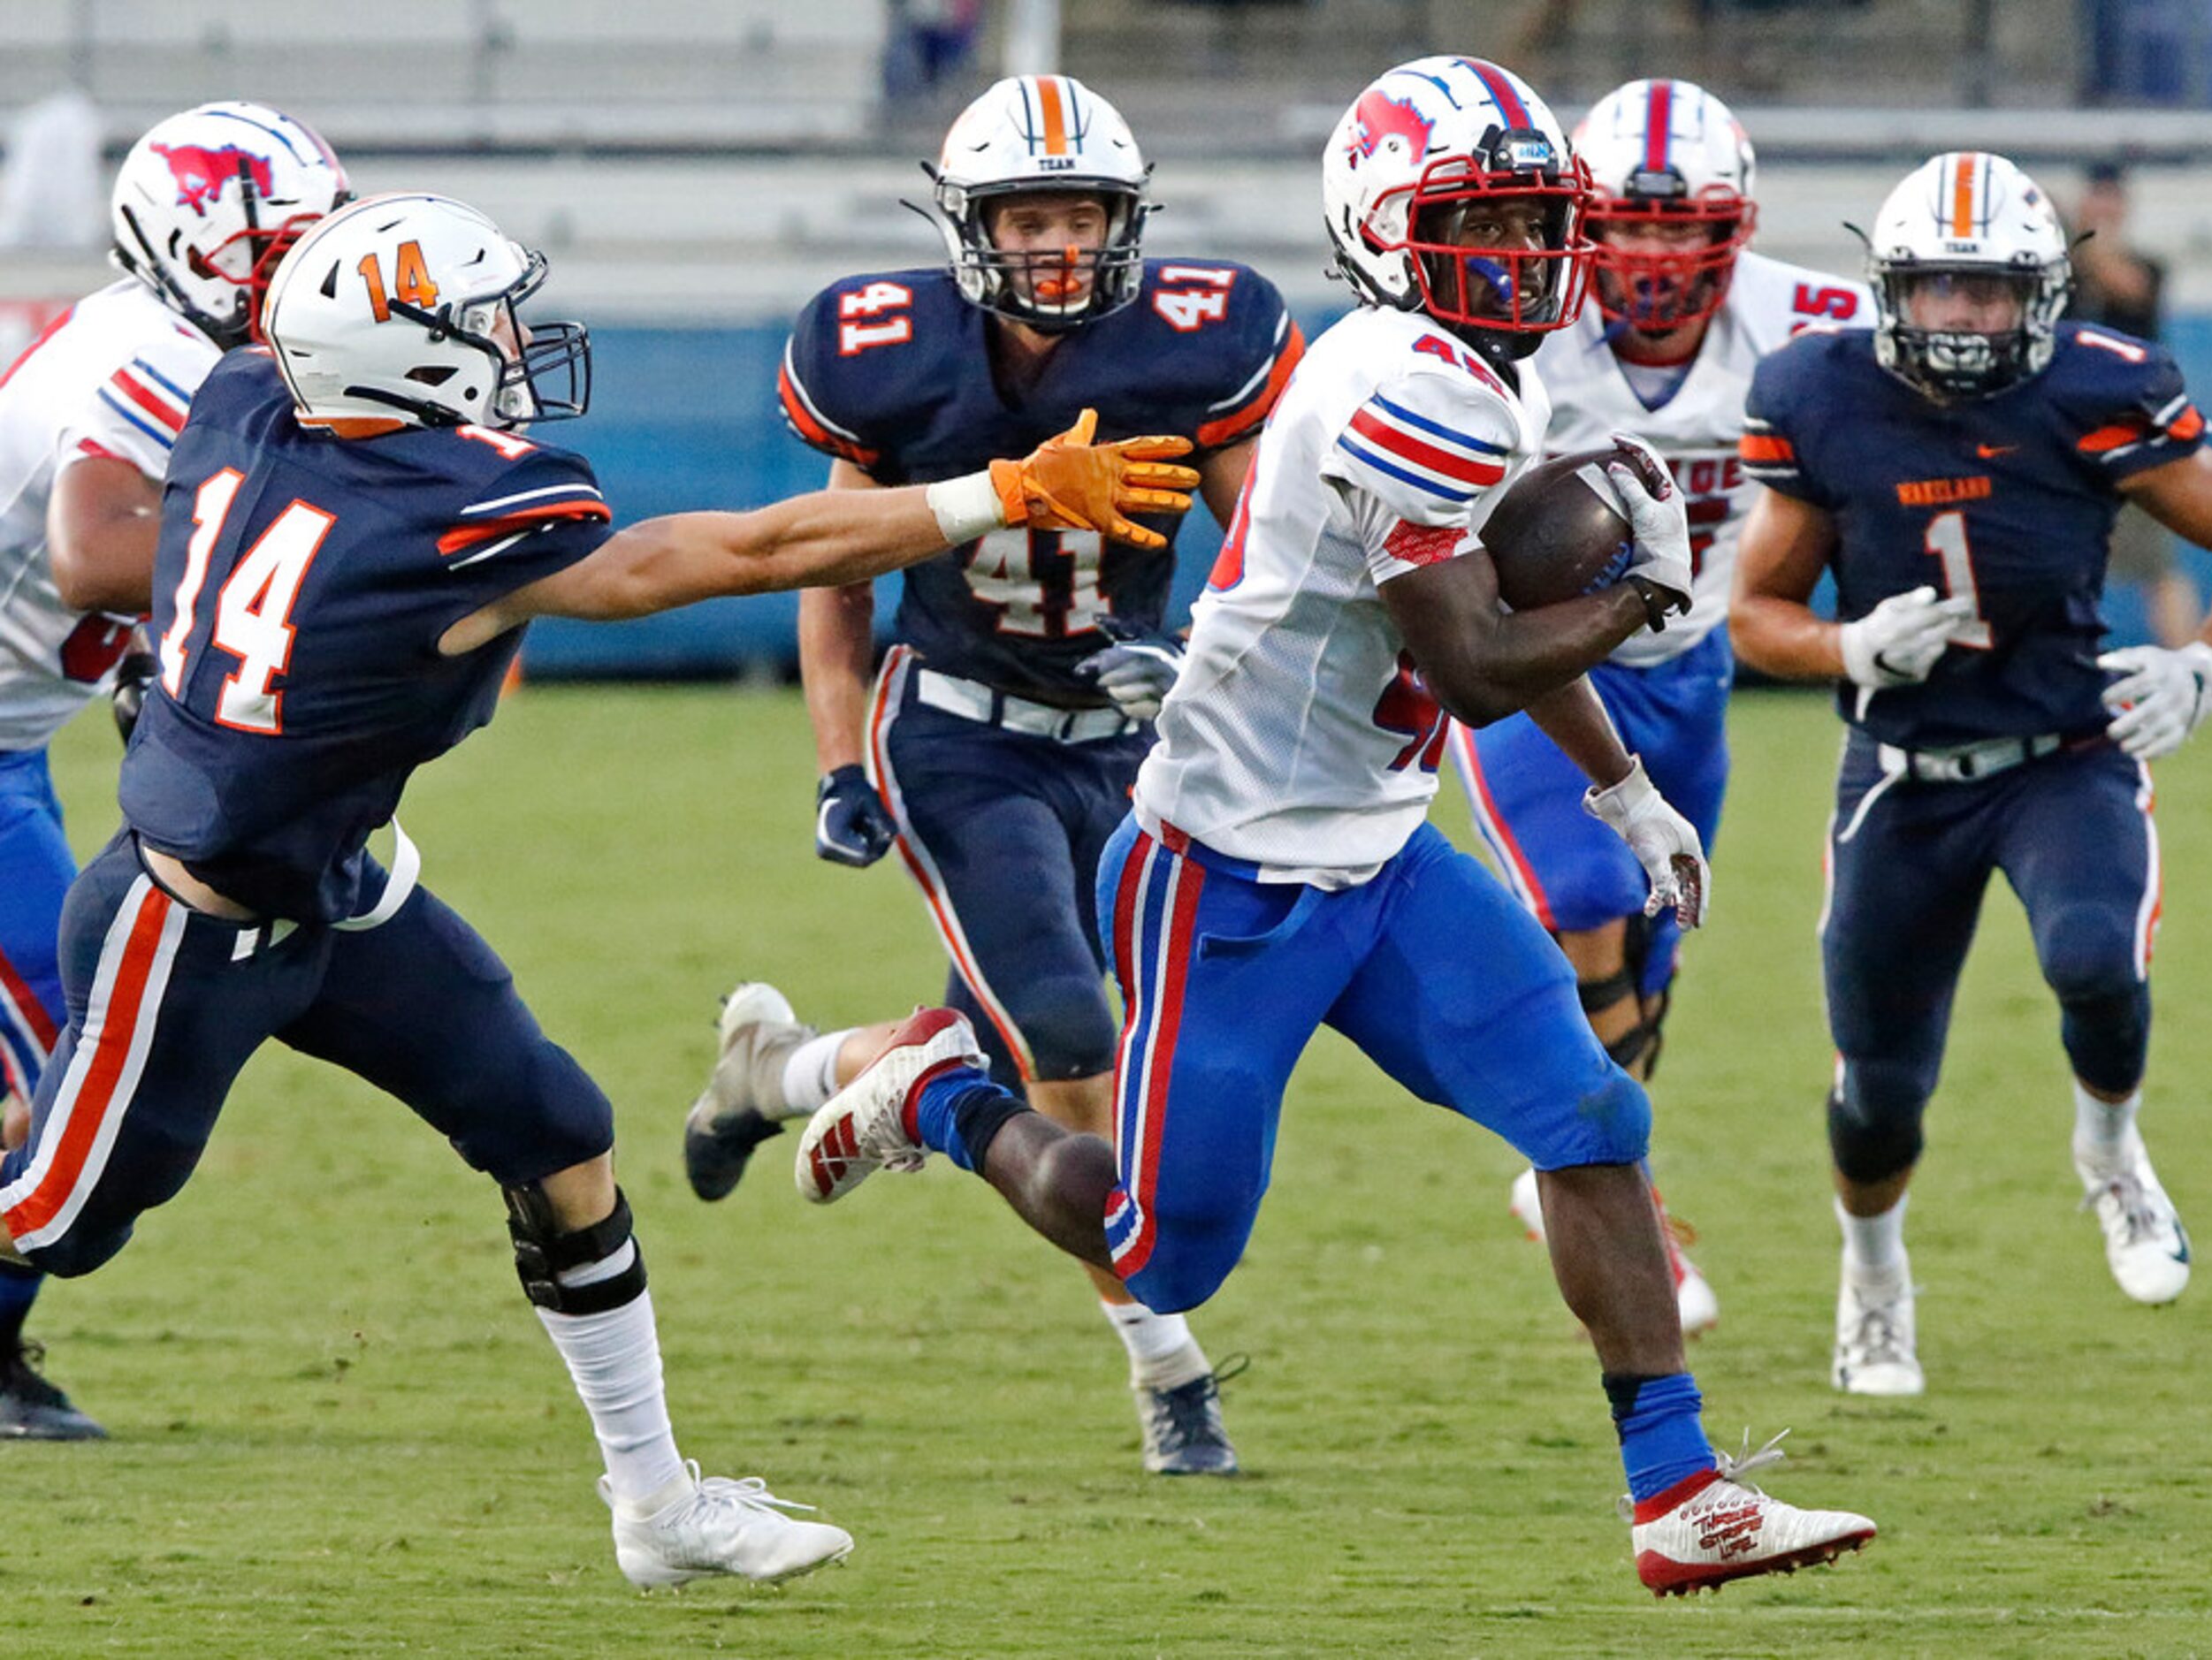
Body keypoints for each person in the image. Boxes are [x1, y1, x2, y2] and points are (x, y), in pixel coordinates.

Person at [785, 56, 1877, 1596]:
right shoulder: (1405, 381)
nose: (1518, 254)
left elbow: (1491, 620)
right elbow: (1474, 662)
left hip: (1380, 851)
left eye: (1529, 220)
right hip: (1224, 874)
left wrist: (1624, 785)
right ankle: (940, 1093)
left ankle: (1678, 1489)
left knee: (1591, 1117)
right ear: (1383, 227)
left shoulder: (1461, 365)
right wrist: (1642, 597)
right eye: (1476, 222)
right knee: (1162, 1248)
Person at [0, 190, 1194, 1583]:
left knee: (557, 1128)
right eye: (483, 320)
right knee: (53, 1220)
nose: (514, 338)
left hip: (333, 878)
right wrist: (992, 493)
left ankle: (660, 1506)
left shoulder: (245, 396)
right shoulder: (443, 516)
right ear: (405, 355)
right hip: (190, 920)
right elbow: (742, 553)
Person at [683, 73, 1301, 1476]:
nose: (1058, 246)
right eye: (1028, 216)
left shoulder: (1202, 344)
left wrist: (1200, 665)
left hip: (1138, 740)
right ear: (971, 225)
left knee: (1028, 1042)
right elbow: (836, 575)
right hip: (960, 737)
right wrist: (842, 761)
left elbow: (1272, 557)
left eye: (1082, 215)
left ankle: (779, 1068)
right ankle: (1167, 1361)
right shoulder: (879, 351)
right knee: (1073, 1043)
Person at [1728, 151, 2212, 1397]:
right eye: (1942, 289)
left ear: (2043, 295)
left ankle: (2110, 1152)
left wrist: (2208, 662)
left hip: (2064, 753)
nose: (1968, 316)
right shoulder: (1818, 395)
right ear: (1893, 290)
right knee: (1879, 1088)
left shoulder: (2099, 393)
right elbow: (1753, 614)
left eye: (1993, 291)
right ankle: (1874, 1284)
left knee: (2095, 956)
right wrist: (1845, 644)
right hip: (1904, 768)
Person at [1457, 78, 1873, 1336]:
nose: (1646, 255)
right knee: (1584, 899)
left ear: (1734, 229)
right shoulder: (1510, 316)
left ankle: (1570, 1164)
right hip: (1535, 658)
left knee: (1652, 933)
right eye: (1625, 228)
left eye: (1680, 227)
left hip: (1690, 664)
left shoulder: (1816, 321)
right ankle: (1603, 1185)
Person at [0, 101, 353, 1441]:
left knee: (82, 1058)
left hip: (15, 739)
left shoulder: (200, 351)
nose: (296, 272)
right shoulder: (149, 344)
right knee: (77, 1060)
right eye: (270, 247)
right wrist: (289, 573)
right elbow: (98, 555)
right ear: (185, 247)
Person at [2069, 160, 2203, 648]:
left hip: (2129, 437)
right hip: (2067, 438)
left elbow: (2125, 284)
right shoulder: (2062, 273)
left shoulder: (2144, 266)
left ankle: (2191, 668)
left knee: (2158, 566)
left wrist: (2085, 237)